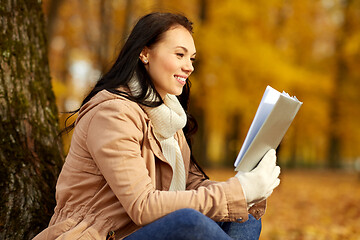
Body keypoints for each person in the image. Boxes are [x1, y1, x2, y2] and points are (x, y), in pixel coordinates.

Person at [33, 12, 280, 240]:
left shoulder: (169, 116)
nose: (190, 66)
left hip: (145, 231)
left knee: (244, 218)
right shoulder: (114, 113)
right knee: (190, 222)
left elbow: (191, 186)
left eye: (192, 58)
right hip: (104, 235)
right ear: (145, 53)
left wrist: (249, 186)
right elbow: (143, 206)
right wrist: (238, 191)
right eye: (180, 55)